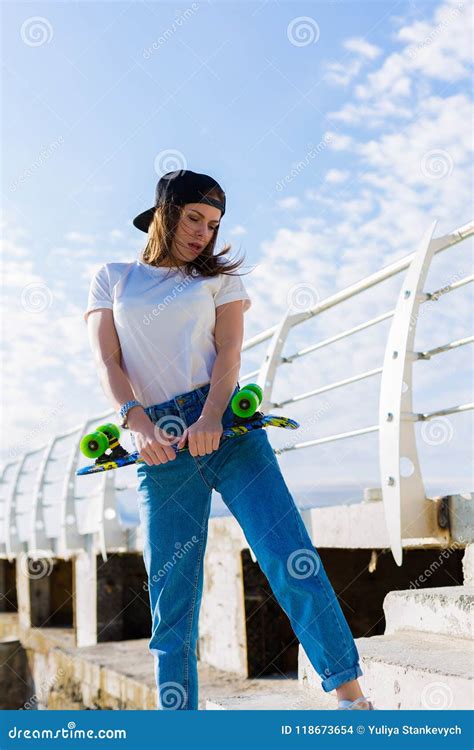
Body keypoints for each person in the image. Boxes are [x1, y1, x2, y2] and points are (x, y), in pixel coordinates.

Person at [84, 169, 375, 711]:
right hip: (160, 448)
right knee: (172, 601)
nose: (203, 232)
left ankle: (353, 702)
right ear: (164, 212)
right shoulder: (113, 278)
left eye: (213, 224)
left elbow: (229, 356)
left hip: (230, 434)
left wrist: (213, 414)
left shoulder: (220, 280)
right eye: (194, 217)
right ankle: (181, 725)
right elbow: (107, 359)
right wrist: (136, 422)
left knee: (290, 561)